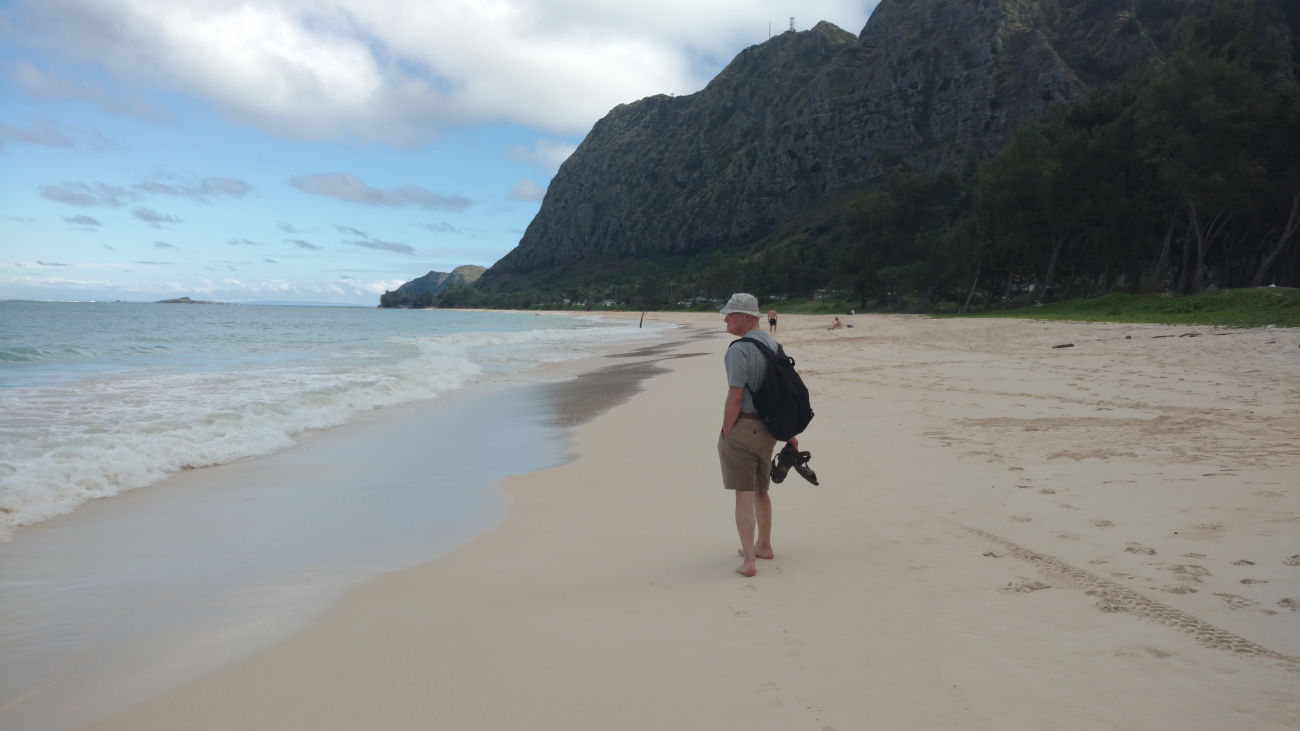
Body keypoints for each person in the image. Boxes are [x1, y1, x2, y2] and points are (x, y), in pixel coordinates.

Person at [718, 293, 797, 577]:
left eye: (731, 314)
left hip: (744, 426)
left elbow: (735, 395)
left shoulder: (739, 350)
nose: (725, 319)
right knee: (762, 491)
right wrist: (787, 433)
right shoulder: (773, 344)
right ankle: (764, 545)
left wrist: (727, 431)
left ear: (748, 317)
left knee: (744, 492)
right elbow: (784, 393)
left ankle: (749, 560)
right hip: (769, 429)